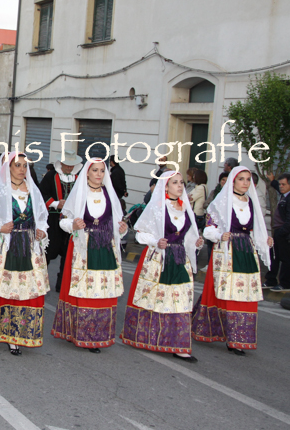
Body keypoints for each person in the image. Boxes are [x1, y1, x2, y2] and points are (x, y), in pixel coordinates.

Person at [0, 152, 50, 355]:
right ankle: (1, 330)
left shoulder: (33, 191)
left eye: (25, 165)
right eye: (17, 165)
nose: (22, 169)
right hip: (6, 247)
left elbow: (42, 219)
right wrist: (0, 228)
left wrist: (42, 232)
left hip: (29, 247)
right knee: (4, 288)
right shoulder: (1, 190)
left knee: (26, 290)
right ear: (9, 168)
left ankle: (19, 333)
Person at [120, 171, 203, 362]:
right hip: (159, 259)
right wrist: (156, 241)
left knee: (181, 300)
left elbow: (188, 237)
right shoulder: (157, 208)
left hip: (180, 258)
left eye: (181, 182)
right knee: (156, 299)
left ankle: (180, 345)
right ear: (165, 187)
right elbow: (140, 233)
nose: (180, 186)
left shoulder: (186, 208)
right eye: (175, 183)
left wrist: (196, 243)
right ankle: (148, 337)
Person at [191, 167, 273, 355]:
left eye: (248, 179)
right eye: (241, 179)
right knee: (227, 293)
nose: (245, 183)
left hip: (246, 251)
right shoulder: (221, 202)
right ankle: (229, 336)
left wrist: (265, 241)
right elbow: (208, 229)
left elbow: (255, 230)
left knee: (246, 294)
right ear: (233, 181)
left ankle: (239, 337)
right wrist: (220, 235)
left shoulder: (251, 202)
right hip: (227, 252)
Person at [51, 158, 127, 353]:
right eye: (95, 170)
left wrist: (123, 229)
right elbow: (63, 221)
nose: (99, 174)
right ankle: (82, 333)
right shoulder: (79, 194)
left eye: (102, 170)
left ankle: (99, 334)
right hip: (83, 247)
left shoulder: (110, 195)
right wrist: (73, 225)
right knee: (84, 291)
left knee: (103, 291)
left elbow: (118, 224)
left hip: (105, 247)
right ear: (87, 173)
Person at [38, 151, 82, 292]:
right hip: (53, 220)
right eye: (67, 165)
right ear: (61, 164)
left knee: (68, 253)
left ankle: (62, 284)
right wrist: (56, 203)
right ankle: (40, 282)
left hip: (71, 222)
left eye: (71, 165)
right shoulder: (51, 176)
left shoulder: (79, 178)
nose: (69, 168)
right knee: (48, 252)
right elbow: (41, 194)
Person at [263, 172, 290, 293]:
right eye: (280, 184)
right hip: (279, 230)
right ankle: (271, 280)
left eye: (283, 184)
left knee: (286, 259)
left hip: (287, 232)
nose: (281, 187)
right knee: (274, 256)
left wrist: (282, 232)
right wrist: (273, 181)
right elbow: (278, 187)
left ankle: (285, 284)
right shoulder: (286, 193)